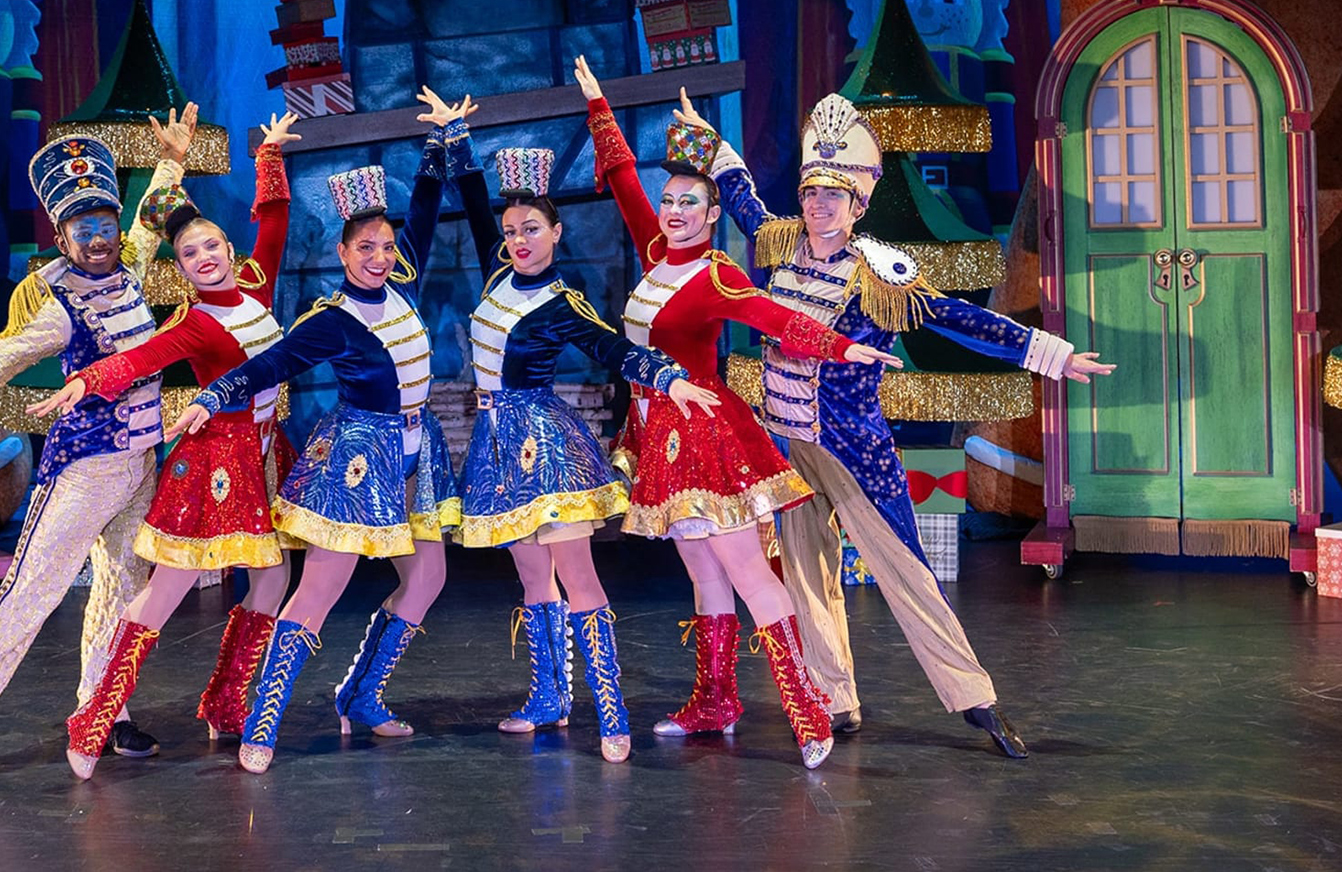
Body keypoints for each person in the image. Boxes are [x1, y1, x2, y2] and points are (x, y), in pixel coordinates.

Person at [692, 89, 1116, 759]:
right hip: (789, 447)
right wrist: (712, 147)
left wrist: (1052, 354)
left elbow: (959, 319)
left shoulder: (878, 278)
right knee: (805, 575)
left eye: (833, 195)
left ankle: (975, 697)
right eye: (810, 192)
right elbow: (745, 204)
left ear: (857, 204)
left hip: (857, 453)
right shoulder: (781, 244)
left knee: (909, 578)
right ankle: (834, 698)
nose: (818, 205)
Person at [573, 57, 900, 769]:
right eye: (671, 201)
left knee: (746, 572)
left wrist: (846, 348)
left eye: (691, 202)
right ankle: (715, 698)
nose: (675, 210)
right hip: (658, 432)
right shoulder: (656, 252)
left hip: (707, 434)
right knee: (704, 572)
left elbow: (777, 318)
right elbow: (626, 185)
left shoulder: (716, 272)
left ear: (714, 212)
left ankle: (807, 707)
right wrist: (600, 107)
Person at [0, 109, 196, 785]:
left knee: (121, 593)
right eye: (86, 229)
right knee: (29, 594)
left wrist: (171, 159)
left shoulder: (132, 264)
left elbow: (148, 216)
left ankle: (103, 713)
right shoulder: (56, 302)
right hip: (82, 470)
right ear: (62, 234)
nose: (102, 238)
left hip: (141, 464)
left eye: (106, 225)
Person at [166, 89, 479, 774]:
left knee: (427, 577)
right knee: (318, 592)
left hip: (418, 452)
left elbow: (424, 210)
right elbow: (270, 361)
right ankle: (263, 718)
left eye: (386, 246)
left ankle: (361, 693)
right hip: (358, 458)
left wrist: (441, 144)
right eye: (365, 246)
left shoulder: (405, 282)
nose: (378, 255)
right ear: (342, 251)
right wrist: (214, 393)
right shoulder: (329, 318)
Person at [34, 113, 302, 777]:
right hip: (213, 465)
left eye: (212, 245)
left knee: (273, 576)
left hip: (265, 458)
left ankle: (225, 700)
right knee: (165, 593)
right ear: (181, 270)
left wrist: (268, 152)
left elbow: (276, 220)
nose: (205, 257)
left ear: (228, 248)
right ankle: (93, 716)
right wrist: (86, 381)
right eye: (190, 254)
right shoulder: (196, 324)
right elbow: (141, 357)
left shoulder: (258, 284)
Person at [452, 143, 725, 763]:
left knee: (578, 577)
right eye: (512, 231)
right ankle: (549, 698)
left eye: (532, 230)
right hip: (494, 447)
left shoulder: (562, 301)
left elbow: (613, 348)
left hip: (543, 447)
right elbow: (474, 212)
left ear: (557, 231)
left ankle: (610, 710)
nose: (520, 240)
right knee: (530, 577)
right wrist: (460, 145)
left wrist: (666, 376)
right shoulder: (497, 279)